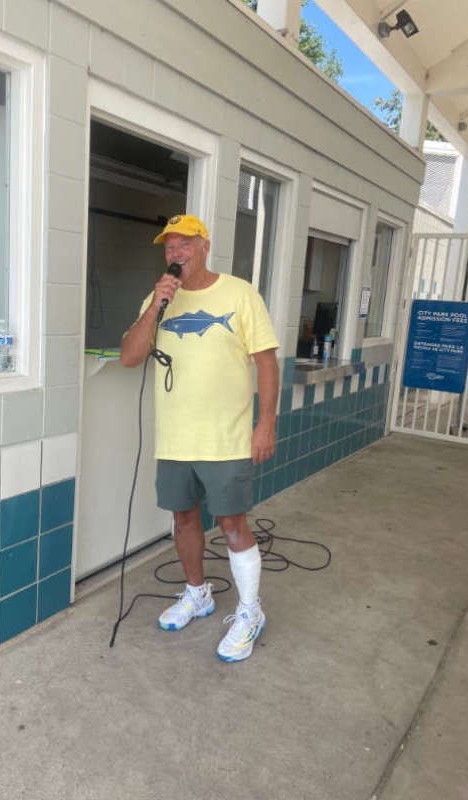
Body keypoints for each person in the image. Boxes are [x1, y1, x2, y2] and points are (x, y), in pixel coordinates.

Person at [120, 213, 279, 662]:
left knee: (231, 524)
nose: (176, 254)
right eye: (169, 247)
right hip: (175, 438)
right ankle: (198, 594)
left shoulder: (240, 293)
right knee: (184, 519)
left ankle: (250, 612)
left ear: (204, 245)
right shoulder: (159, 299)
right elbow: (131, 357)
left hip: (227, 438)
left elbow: (266, 363)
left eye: (185, 244)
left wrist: (265, 424)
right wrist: (155, 305)